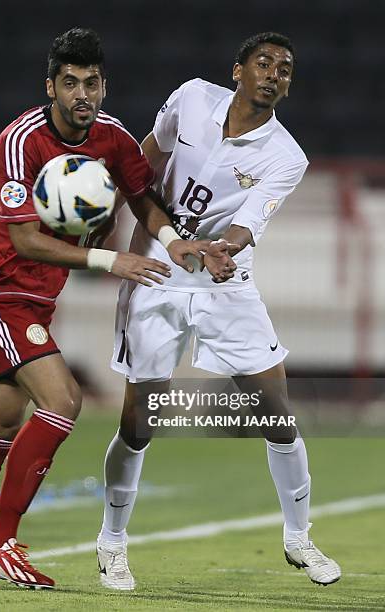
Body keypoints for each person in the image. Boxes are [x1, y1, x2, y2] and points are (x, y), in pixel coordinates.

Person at [0, 27, 215, 589]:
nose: (83, 95)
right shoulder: (20, 141)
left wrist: (173, 242)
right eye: (70, 83)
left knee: (2, 422)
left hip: (35, 295)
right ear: (49, 86)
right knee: (63, 400)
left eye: (92, 83)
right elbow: (25, 240)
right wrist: (109, 261)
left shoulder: (113, 137)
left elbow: (143, 194)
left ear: (104, 86)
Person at [93, 32, 341, 589]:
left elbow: (246, 224)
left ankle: (299, 539)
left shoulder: (286, 156)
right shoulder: (191, 98)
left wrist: (220, 250)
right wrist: (118, 213)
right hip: (157, 270)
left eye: (285, 68)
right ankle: (112, 543)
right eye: (264, 62)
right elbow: (144, 158)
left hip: (225, 282)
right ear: (237, 70)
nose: (275, 73)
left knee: (276, 412)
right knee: (139, 420)